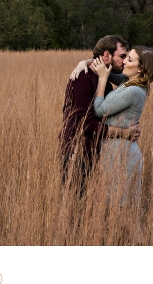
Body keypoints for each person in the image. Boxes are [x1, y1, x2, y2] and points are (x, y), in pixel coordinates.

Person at [60, 35, 140, 193]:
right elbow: (85, 124)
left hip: (96, 153)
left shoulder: (104, 77)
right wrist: (124, 133)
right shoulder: (82, 78)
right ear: (106, 55)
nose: (124, 61)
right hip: (77, 153)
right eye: (122, 56)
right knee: (76, 203)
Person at [89, 46, 153, 210]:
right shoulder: (127, 81)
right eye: (126, 57)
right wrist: (82, 63)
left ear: (140, 69)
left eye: (130, 59)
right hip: (114, 154)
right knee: (113, 211)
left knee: (124, 213)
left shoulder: (134, 90)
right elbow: (103, 67)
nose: (124, 61)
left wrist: (102, 80)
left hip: (123, 157)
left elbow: (99, 110)